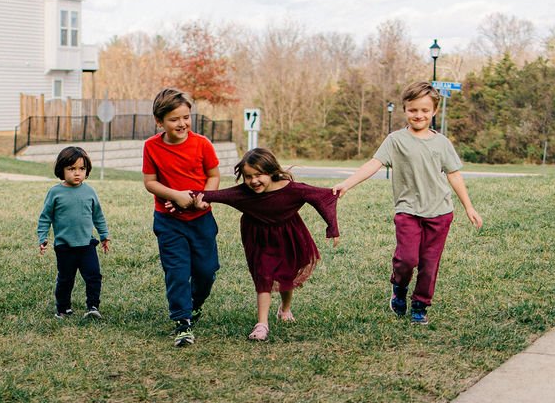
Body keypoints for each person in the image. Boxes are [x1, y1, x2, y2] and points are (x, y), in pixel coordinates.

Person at [333, 80, 483, 325]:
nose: (419, 115)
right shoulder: (395, 140)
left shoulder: (442, 143)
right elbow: (374, 163)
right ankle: (399, 287)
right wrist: (347, 184)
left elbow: (454, 174)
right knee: (407, 259)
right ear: (405, 109)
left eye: (425, 110)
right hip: (408, 211)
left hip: (440, 213)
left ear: (434, 111)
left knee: (429, 263)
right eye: (413, 110)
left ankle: (420, 305)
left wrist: (469, 206)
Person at [174, 148, 340, 342]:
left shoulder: (292, 189)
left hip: (289, 235)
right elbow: (213, 195)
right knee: (264, 276)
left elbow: (323, 198)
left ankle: (285, 309)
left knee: (287, 273)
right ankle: (262, 324)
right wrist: (179, 200)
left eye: (259, 175)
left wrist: (332, 228)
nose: (253, 181)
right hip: (258, 239)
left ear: (271, 172)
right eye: (248, 176)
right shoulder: (243, 194)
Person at [142, 87, 221, 347]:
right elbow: (150, 182)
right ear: (159, 121)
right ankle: (182, 321)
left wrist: (204, 198)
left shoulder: (202, 144)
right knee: (176, 271)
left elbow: (213, 175)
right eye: (174, 119)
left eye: (186, 117)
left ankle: (195, 305)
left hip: (201, 219)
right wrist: (174, 194)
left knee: (206, 271)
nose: (182, 123)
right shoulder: (151, 147)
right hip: (168, 221)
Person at [37, 146, 110, 320]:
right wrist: (43, 237)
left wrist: (104, 235)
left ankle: (93, 306)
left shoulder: (90, 192)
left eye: (81, 169)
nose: (77, 173)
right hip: (65, 247)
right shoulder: (55, 192)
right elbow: (45, 217)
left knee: (94, 276)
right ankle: (63, 308)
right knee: (65, 279)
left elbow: (98, 215)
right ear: (61, 170)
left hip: (87, 245)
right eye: (71, 169)